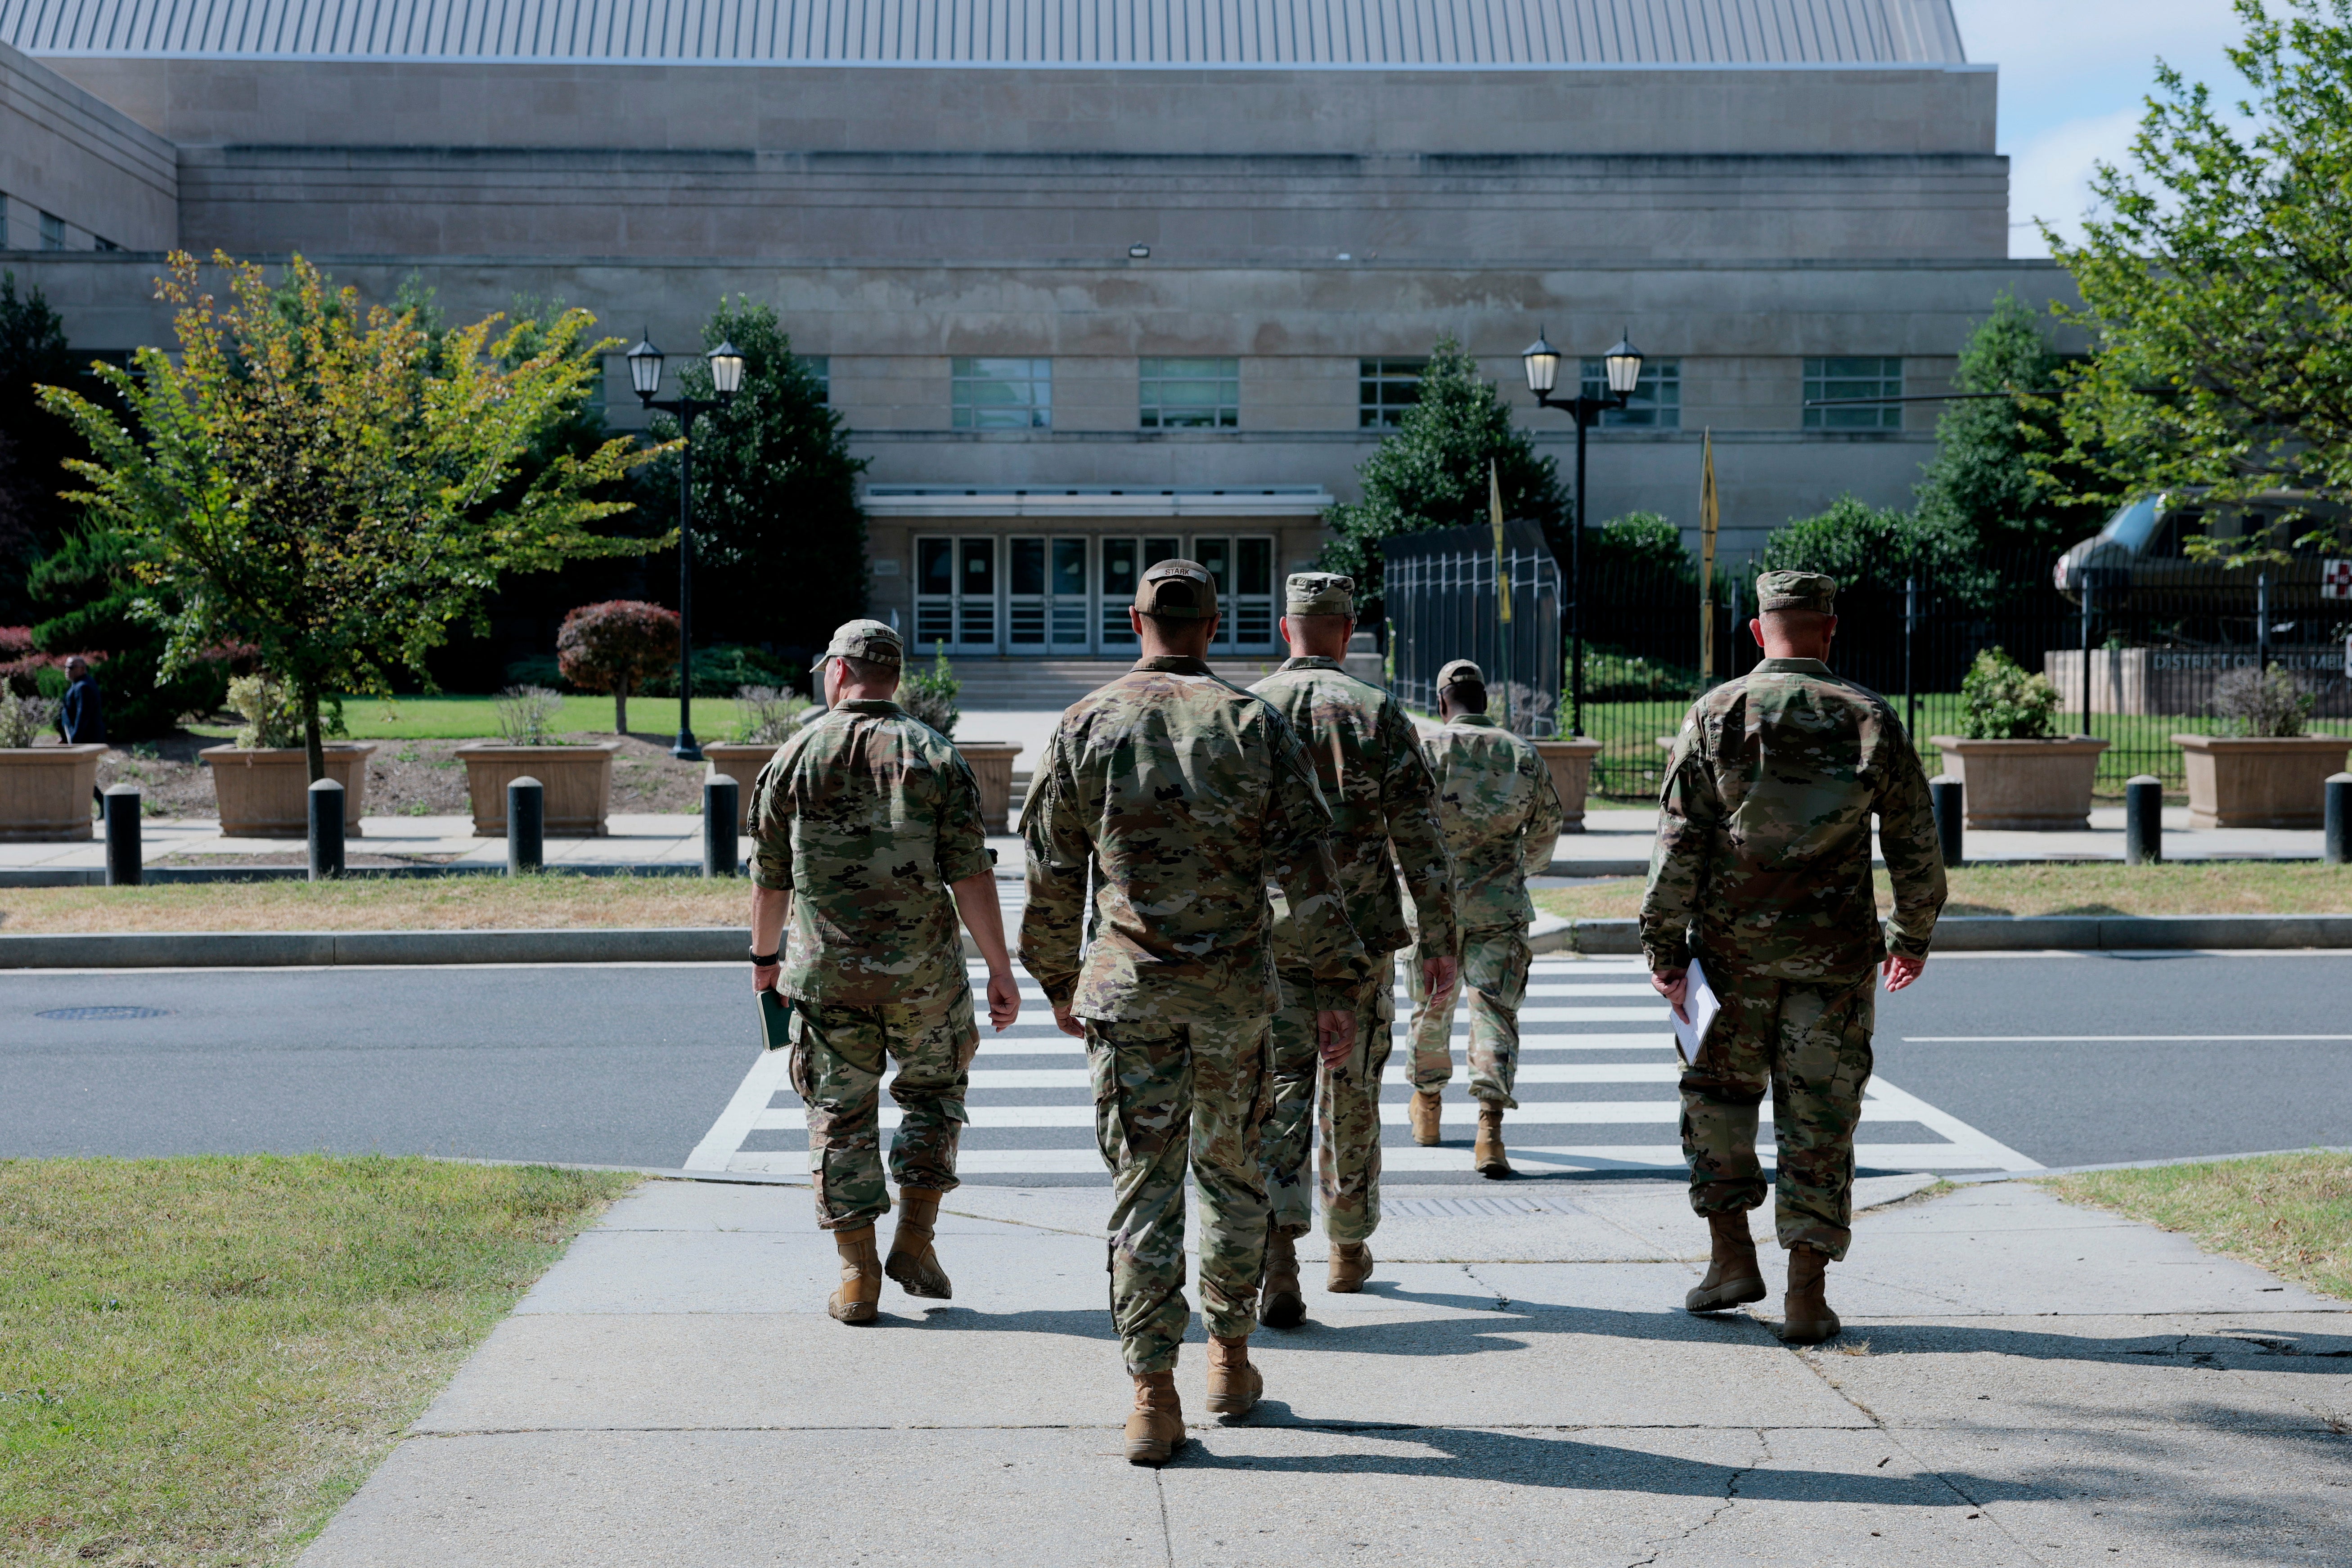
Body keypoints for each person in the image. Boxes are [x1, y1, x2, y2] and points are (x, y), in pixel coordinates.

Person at [1021, 558, 1369, 1467]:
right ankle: (1230, 1356)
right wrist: (1331, 986)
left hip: (1130, 993)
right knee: (1232, 1176)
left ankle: (1151, 1392)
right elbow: (1307, 871)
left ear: (1135, 619)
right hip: (1233, 998)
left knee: (1143, 1188)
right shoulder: (1253, 723)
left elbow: (1052, 874)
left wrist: (1060, 979)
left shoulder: (1084, 723)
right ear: (1215, 627)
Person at [1642, 571, 1947, 1344]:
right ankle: (1805, 1295)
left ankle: (1731, 1260)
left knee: (1717, 1101)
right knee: (1819, 1117)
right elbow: (1914, 842)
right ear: (1830, 629)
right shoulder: (1868, 717)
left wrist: (1664, 947)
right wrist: (1911, 936)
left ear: (1757, 631)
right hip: (1835, 959)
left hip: (1727, 957)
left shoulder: (1717, 712)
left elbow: (1679, 842)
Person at [747, 618, 1021, 1325]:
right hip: (923, 979)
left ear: (837, 673)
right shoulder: (934, 755)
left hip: (828, 978)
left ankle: (856, 1275)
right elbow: (971, 874)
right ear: (893, 676)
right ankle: (915, 1241)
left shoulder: (795, 755)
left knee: (839, 1117)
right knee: (933, 1099)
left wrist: (764, 960)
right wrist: (998, 967)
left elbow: (770, 881)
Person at [1248, 573, 1459, 1318]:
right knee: (1352, 1088)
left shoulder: (1247, 711)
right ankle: (1344, 1245)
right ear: (1347, 630)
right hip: (1359, 936)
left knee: (1276, 1093)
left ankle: (1277, 1255)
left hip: (1269, 939)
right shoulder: (1377, 713)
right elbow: (1420, 836)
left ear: (1286, 628)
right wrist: (1439, 936)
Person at [1402, 659, 1562, 1178]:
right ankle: (1489, 1130)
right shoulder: (1521, 754)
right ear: (1485, 701)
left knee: (1432, 1005)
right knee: (1494, 1012)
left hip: (1432, 907)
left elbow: (1397, 829)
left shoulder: (1425, 752)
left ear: (1442, 701)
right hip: (1499, 904)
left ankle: (1427, 1107)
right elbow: (1544, 834)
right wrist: (1515, 870)